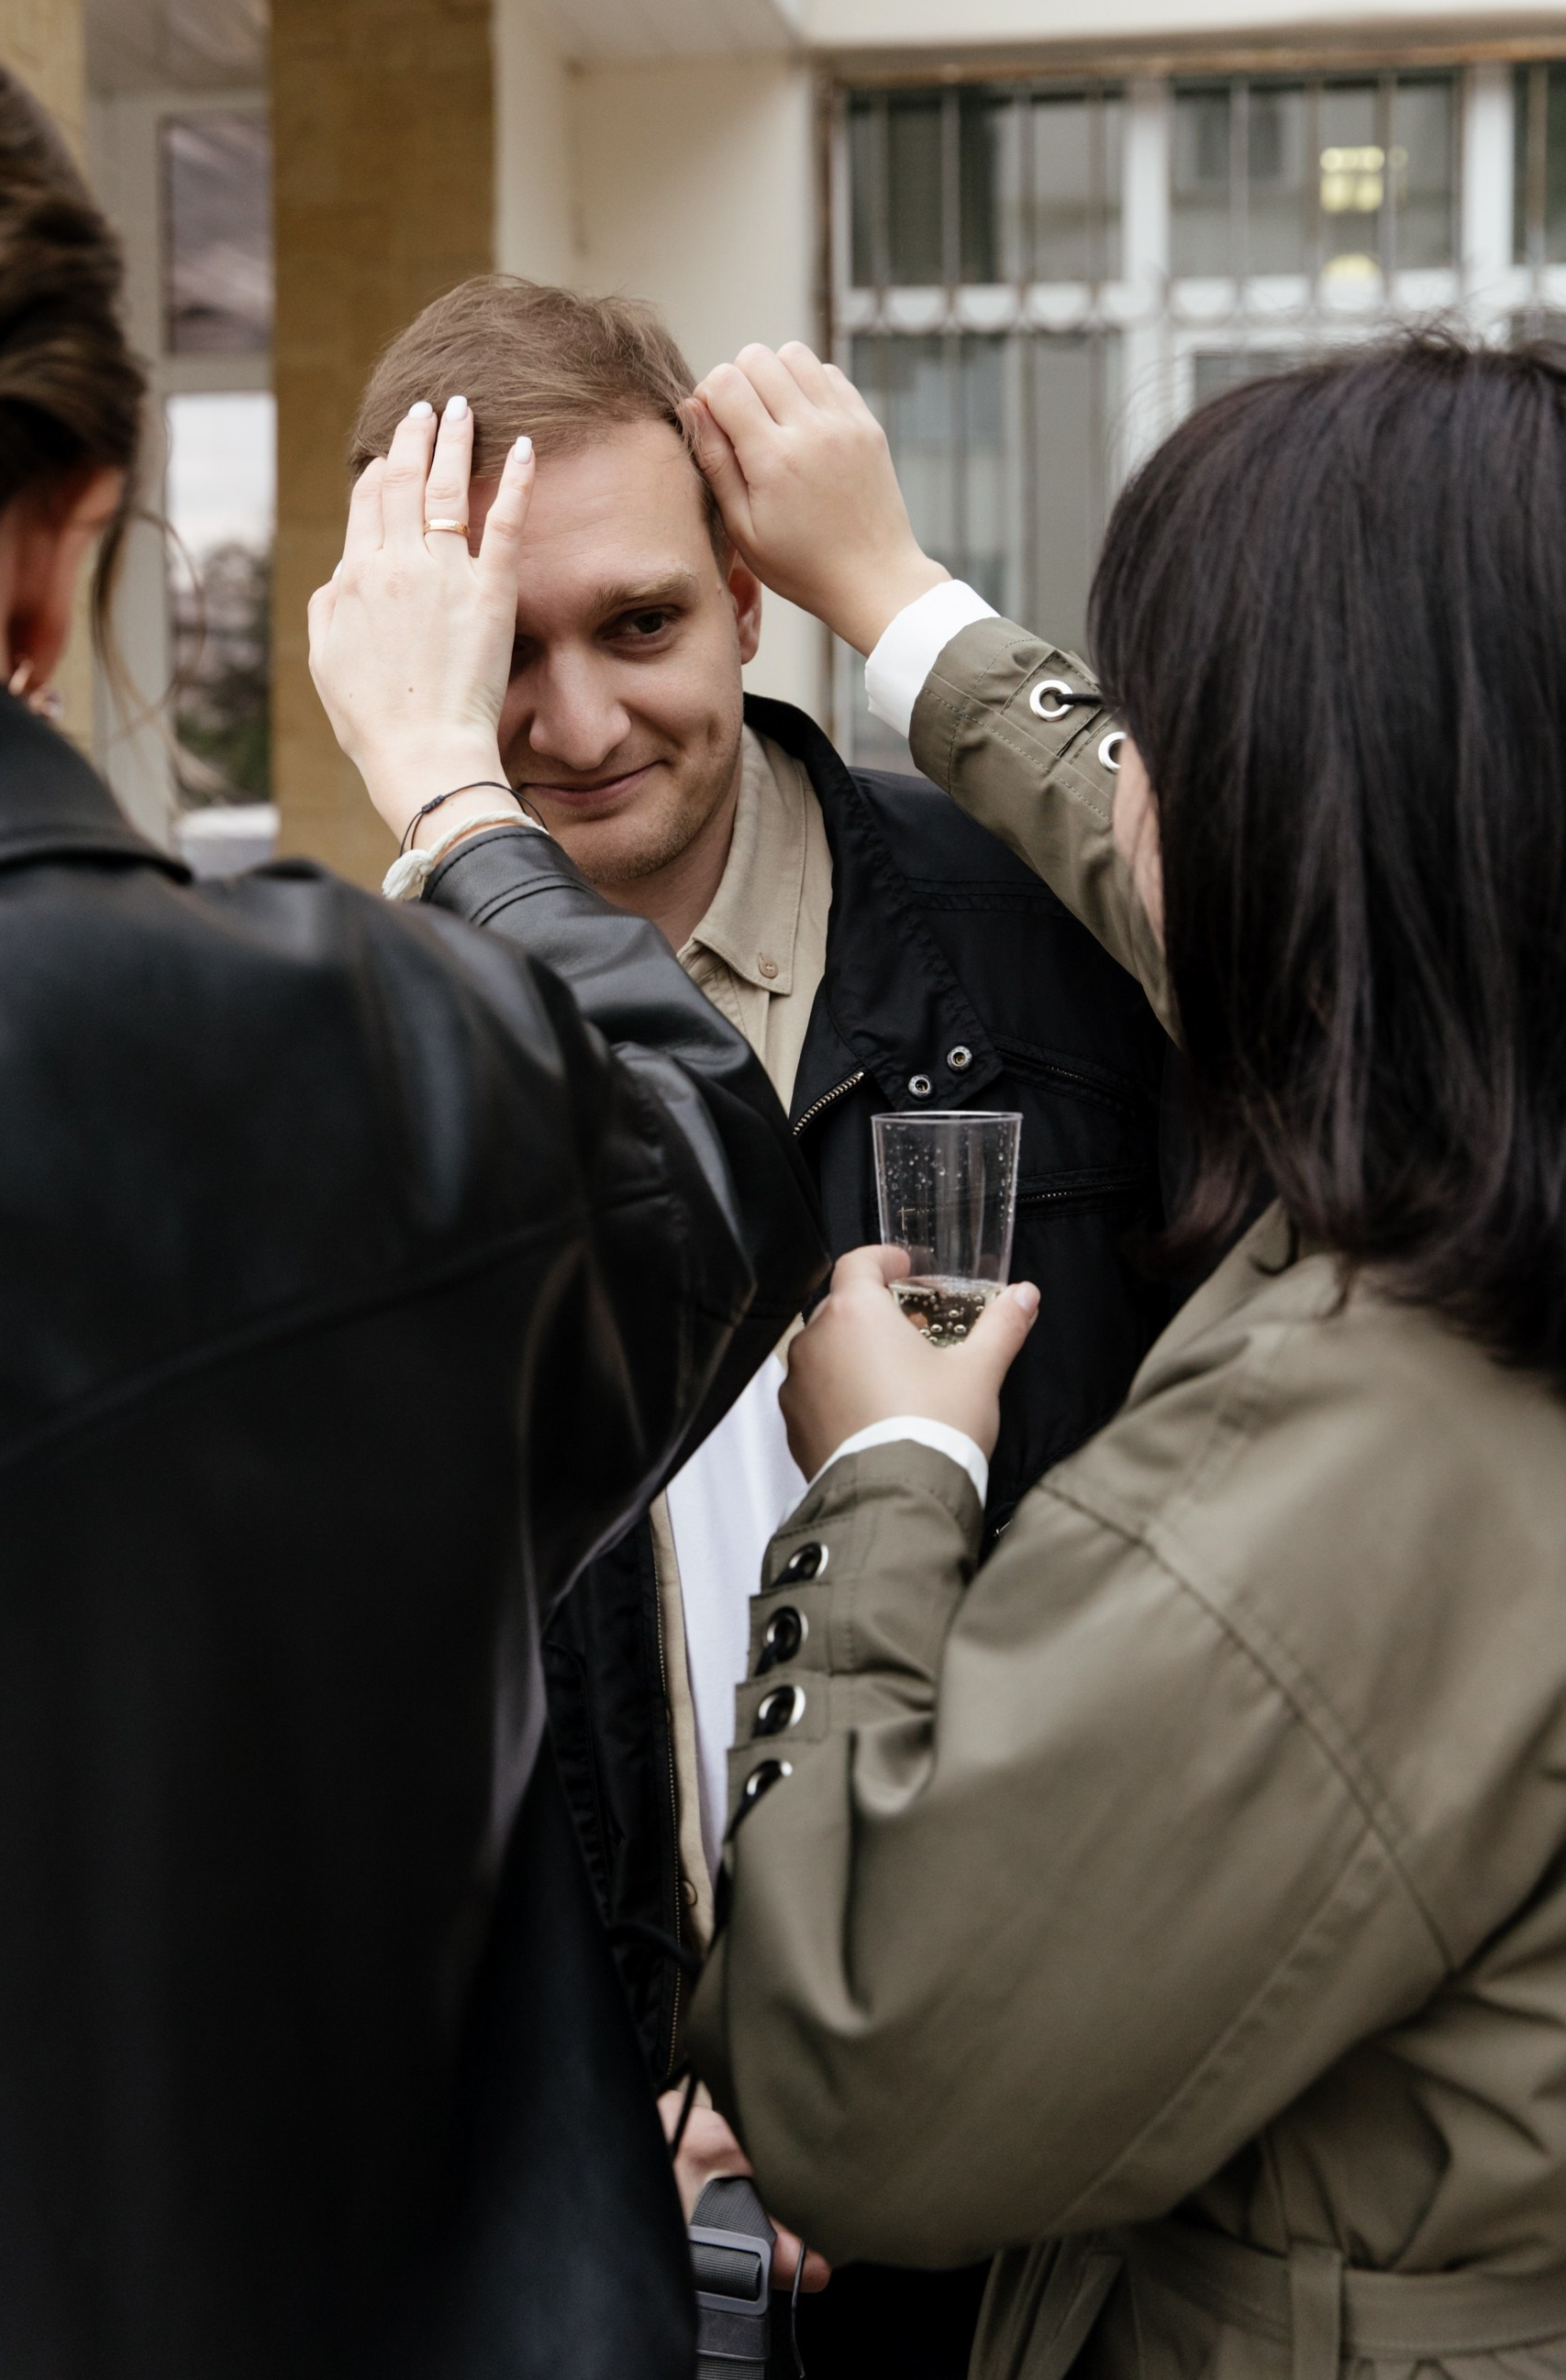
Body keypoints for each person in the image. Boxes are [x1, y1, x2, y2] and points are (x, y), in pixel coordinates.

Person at [0, 0, 825, 2380]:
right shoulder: (370, 1061)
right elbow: (698, 1171)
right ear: (59, 540)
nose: (580, 719)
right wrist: (445, 799)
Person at [676, 333, 1566, 2380]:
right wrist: (892, 591)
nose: (1120, 773)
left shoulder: (1365, 1452)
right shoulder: (1481, 1097)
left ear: (1311, 827)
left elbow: (860, 2076)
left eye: (1163, 724)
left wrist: (885, 1479)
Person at [349, 279, 1173, 2374]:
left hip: (1038, 2168)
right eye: (498, 654)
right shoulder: (329, 1064)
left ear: (743, 599)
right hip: (605, 2205)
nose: (580, 721)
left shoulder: (1032, 945)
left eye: (636, 627)